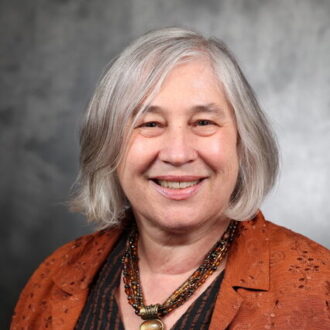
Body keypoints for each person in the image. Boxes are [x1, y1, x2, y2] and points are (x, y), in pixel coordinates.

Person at [11, 27, 329, 330]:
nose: (177, 154)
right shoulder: (53, 277)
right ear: (109, 145)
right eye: (150, 124)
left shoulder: (317, 286)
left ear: (243, 143)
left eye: (203, 122)